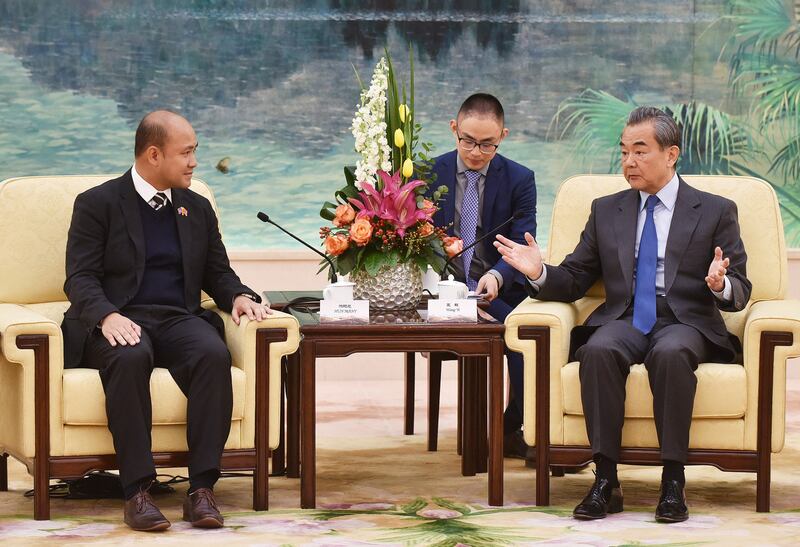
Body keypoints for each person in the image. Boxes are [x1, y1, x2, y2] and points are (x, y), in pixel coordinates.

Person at [494, 106, 751, 523]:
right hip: (627, 316)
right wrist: (538, 271)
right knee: (597, 350)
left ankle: (672, 482)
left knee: (670, 354)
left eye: (640, 151)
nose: (629, 161)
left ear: (671, 154)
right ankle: (606, 481)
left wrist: (720, 284)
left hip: (685, 320)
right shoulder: (606, 209)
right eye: (624, 151)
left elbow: (741, 289)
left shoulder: (715, 210)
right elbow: (576, 277)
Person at [61, 111, 270, 532]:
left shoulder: (197, 206)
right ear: (154, 154)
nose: (194, 162)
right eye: (187, 153)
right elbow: (79, 277)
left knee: (212, 353)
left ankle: (202, 490)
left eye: (196, 152)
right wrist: (106, 314)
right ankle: (137, 492)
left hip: (177, 317)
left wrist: (238, 296)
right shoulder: (98, 203)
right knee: (130, 356)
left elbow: (218, 272)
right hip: (121, 317)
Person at [430, 93, 537, 459]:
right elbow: (415, 243)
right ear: (454, 129)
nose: (476, 152)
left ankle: (516, 427)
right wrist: (455, 295)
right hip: (443, 290)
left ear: (502, 136)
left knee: (525, 332)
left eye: (487, 144)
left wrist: (497, 274)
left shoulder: (521, 179)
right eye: (468, 141)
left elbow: (523, 243)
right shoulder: (428, 173)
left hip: (498, 290)